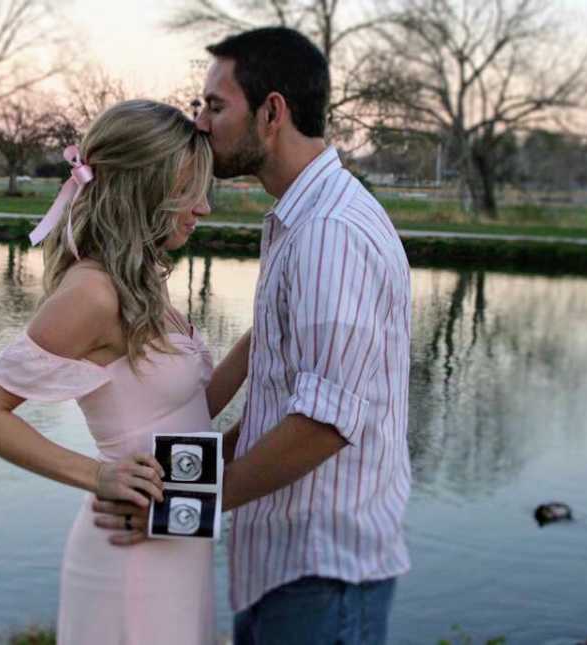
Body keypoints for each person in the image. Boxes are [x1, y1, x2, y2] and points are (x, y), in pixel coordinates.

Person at [94, 28, 412, 645]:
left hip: (323, 576)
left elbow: (324, 424)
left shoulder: (329, 234)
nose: (201, 123)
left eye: (215, 106)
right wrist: (182, 473)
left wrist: (178, 510)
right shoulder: (301, 221)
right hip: (287, 568)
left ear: (272, 112)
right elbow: (282, 400)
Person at [0, 99, 251, 645]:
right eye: (190, 188)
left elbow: (187, 410)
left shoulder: (143, 282)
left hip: (175, 539)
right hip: (128, 559)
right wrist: (98, 475)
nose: (204, 207)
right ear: (144, 186)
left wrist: (260, 339)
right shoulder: (91, 291)